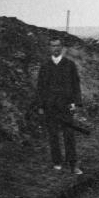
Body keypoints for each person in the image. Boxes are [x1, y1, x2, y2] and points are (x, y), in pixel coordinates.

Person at [36, 37, 83, 174]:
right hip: (50, 106)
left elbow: (75, 84)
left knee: (69, 134)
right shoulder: (45, 66)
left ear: (61, 47)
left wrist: (75, 103)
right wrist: (41, 105)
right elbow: (40, 87)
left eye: (57, 46)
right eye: (52, 46)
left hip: (66, 106)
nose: (55, 48)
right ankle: (57, 162)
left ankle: (73, 164)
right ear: (49, 48)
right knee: (53, 135)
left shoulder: (69, 65)